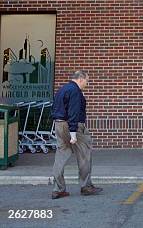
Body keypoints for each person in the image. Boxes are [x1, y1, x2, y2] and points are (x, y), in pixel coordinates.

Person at [50, 70, 103, 199]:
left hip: (59, 124)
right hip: (73, 126)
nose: (87, 83)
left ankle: (58, 189)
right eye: (86, 81)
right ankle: (86, 186)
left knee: (60, 156)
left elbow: (54, 108)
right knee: (84, 154)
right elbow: (73, 112)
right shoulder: (75, 91)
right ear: (80, 78)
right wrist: (73, 133)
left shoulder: (62, 89)